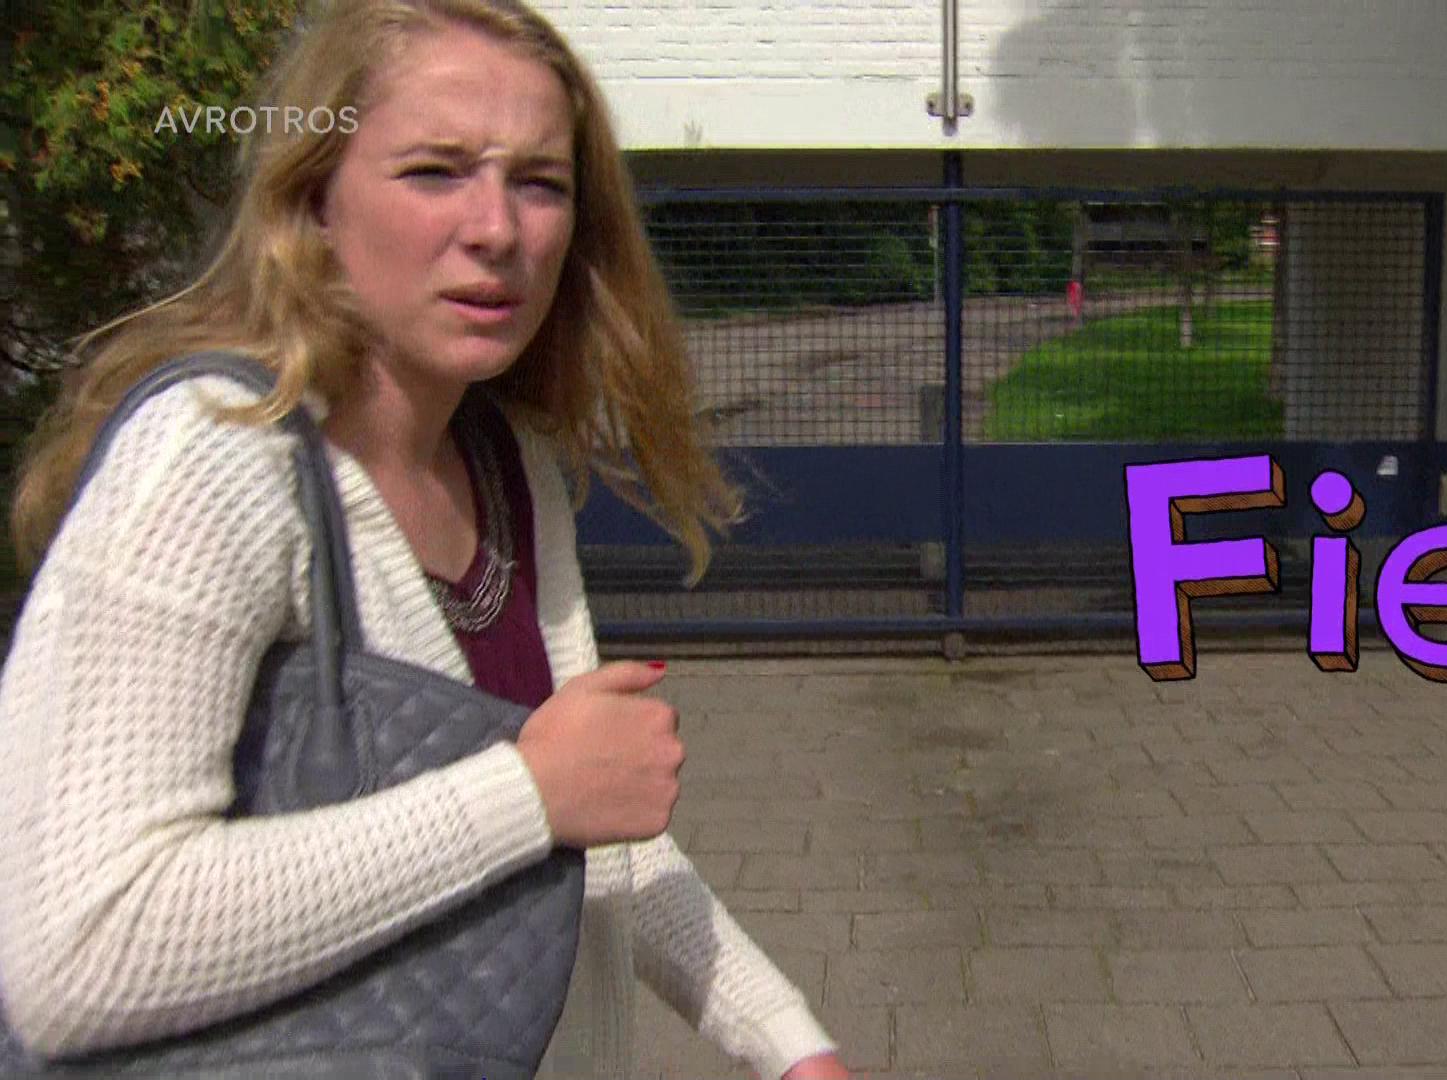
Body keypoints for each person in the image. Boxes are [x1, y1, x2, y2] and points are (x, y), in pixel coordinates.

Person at [0, 1, 851, 1077]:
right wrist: (526, 793)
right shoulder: (210, 461)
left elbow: (585, 824)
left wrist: (787, 1041)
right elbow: (80, 955)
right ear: (314, 202)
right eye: (434, 171)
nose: (498, 229)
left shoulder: (510, 469)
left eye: (539, 182)